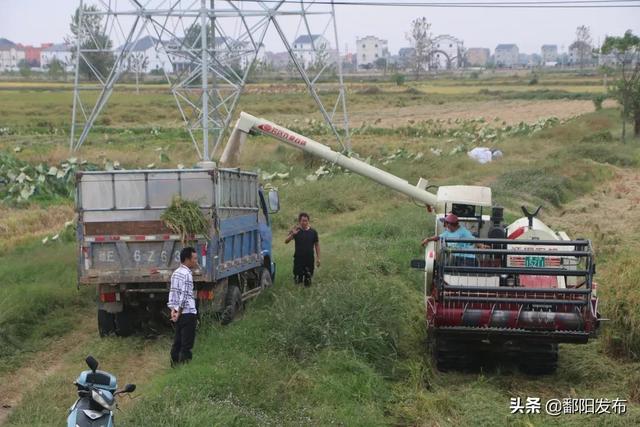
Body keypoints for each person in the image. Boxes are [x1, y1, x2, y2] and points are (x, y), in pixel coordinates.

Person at [168, 247, 198, 366]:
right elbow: (184, 296)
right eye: (194, 258)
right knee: (187, 344)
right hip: (188, 313)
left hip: (178, 314)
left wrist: (173, 311)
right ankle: (185, 367)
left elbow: (173, 293)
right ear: (187, 259)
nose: (196, 261)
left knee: (177, 342)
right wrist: (179, 311)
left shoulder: (175, 273)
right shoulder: (187, 275)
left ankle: (174, 366)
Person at [285, 212, 320, 287]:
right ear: (299, 221)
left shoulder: (313, 232)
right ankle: (298, 292)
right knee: (298, 279)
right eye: (303, 221)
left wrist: (318, 258)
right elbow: (286, 241)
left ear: (308, 221)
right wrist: (292, 234)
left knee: (308, 278)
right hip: (298, 259)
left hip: (309, 259)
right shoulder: (296, 231)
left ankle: (307, 292)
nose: (304, 222)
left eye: (306, 221)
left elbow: (317, 245)